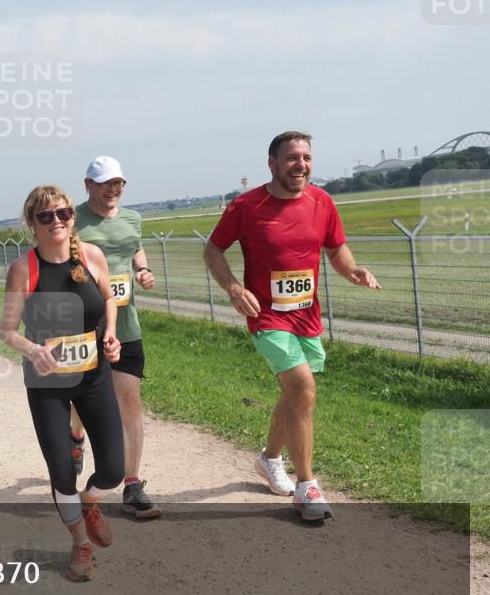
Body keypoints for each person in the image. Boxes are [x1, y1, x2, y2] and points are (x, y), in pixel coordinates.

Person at [203, 130, 381, 521]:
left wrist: (352, 270)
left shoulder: (322, 201)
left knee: (294, 394)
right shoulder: (247, 205)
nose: (300, 165)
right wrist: (233, 288)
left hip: (306, 315)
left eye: (306, 158)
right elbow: (213, 250)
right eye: (291, 158)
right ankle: (307, 487)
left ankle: (269, 459)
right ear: (272, 163)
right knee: (302, 387)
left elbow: (335, 247)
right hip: (266, 316)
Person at [0, 185, 125, 582]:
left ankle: (90, 501)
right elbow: (7, 331)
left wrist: (111, 333)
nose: (56, 221)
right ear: (32, 223)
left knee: (114, 470)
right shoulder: (24, 269)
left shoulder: (90, 256)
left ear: (72, 216)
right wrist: (32, 349)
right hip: (47, 384)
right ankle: (80, 543)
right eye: (45, 216)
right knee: (61, 472)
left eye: (63, 213)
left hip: (93, 376)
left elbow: (108, 298)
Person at [72, 156, 161, 519]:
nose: (113, 189)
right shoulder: (72, 220)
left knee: (129, 400)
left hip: (125, 325)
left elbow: (134, 247)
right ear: (88, 184)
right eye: (105, 183)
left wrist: (143, 269)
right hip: (84, 325)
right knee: (82, 398)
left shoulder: (133, 218)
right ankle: (76, 436)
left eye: (118, 183)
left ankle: (132, 484)